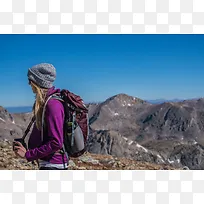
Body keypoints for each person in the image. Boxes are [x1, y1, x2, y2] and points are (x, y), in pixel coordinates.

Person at [13, 63, 68, 170]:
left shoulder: (53, 105)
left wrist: (28, 155)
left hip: (53, 165)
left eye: (31, 79)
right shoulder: (45, 103)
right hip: (48, 164)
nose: (29, 83)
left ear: (38, 82)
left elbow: (56, 142)